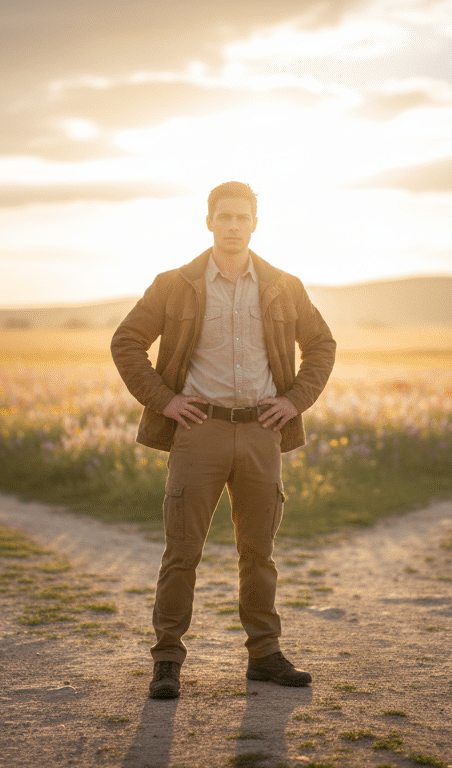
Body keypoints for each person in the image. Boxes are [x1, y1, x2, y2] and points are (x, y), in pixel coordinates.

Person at [110, 181, 337, 700]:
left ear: (255, 223)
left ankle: (264, 654)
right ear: (208, 221)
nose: (233, 225)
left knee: (259, 551)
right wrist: (164, 400)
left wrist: (295, 399)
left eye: (243, 217)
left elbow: (321, 344)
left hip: (263, 432)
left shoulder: (284, 284)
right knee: (182, 550)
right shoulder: (175, 284)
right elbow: (126, 341)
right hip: (198, 432)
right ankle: (167, 658)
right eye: (224, 216)